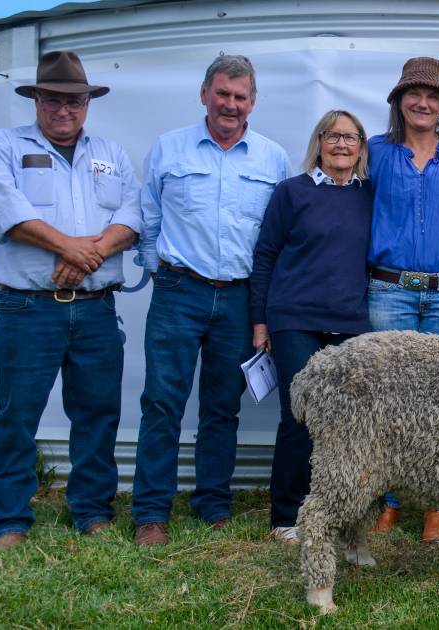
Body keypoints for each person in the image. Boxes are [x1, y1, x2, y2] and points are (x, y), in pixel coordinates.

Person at [0, 51, 141, 548]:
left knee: (97, 413)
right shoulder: (1, 147)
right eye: (53, 99)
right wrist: (71, 247)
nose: (64, 109)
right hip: (28, 308)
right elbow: (8, 211)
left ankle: (91, 509)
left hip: (95, 309)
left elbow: (134, 215)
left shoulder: (111, 153)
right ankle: (7, 518)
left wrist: (89, 254)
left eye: (74, 100)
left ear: (88, 102)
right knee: (17, 414)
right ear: (36, 100)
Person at [132, 54, 291, 547]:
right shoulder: (169, 148)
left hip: (240, 299)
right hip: (179, 292)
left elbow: (277, 239)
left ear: (253, 103)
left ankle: (212, 505)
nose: (231, 104)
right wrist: (163, 273)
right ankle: (151, 513)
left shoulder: (272, 158)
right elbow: (148, 219)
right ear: (204, 94)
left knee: (222, 408)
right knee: (162, 402)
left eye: (240, 97)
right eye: (222, 93)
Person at [249, 110, 373, 544]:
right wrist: (260, 322)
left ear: (361, 146)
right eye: (332, 136)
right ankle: (287, 515)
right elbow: (265, 255)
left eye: (351, 137)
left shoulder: (370, 195)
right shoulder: (291, 192)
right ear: (318, 142)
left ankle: (339, 511)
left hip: (351, 323)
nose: (341, 144)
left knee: (347, 422)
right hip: (294, 319)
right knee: (299, 416)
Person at [365, 57, 439, 543]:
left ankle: (437, 504)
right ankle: (388, 499)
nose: (423, 103)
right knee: (392, 401)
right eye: (414, 94)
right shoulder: (376, 153)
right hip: (390, 289)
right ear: (399, 100)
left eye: (433, 97)